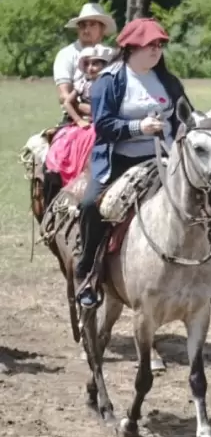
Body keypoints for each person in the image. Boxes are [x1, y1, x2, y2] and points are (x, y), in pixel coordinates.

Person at [74, 18, 187, 307]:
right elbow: (104, 127)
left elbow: (185, 116)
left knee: (207, 201)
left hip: (165, 161)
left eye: (160, 45)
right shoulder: (109, 81)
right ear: (131, 47)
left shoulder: (168, 81)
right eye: (151, 45)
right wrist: (140, 127)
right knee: (91, 205)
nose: (156, 50)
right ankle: (87, 273)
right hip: (119, 162)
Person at [44, 45, 113, 198]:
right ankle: (61, 173)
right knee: (65, 142)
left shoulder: (111, 84)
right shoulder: (83, 84)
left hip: (103, 122)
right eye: (87, 64)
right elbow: (67, 102)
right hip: (87, 123)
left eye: (95, 64)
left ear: (104, 65)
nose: (91, 68)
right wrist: (78, 119)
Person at [53, 2, 117, 115]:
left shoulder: (112, 55)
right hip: (77, 117)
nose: (86, 30)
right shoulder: (66, 55)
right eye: (82, 25)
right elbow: (64, 96)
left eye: (92, 24)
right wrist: (92, 111)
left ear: (102, 29)